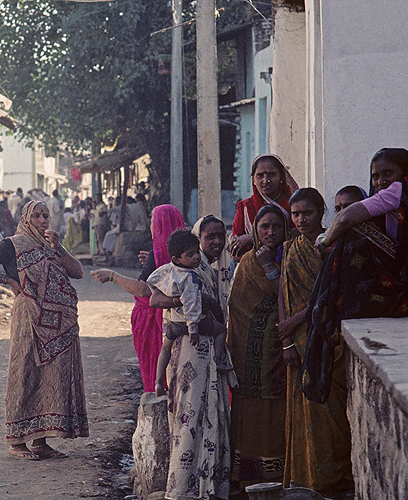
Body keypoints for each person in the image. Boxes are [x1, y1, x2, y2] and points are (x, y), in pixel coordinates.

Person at [0, 201, 88, 460]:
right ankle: (17, 442)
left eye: (46, 215)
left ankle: (40, 441)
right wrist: (7, 280)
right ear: (26, 218)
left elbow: (78, 272)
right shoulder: (13, 244)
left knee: (50, 377)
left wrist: (60, 248)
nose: (43, 220)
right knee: (25, 372)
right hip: (28, 318)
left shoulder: (52, 244)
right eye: (37, 216)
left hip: (58, 324)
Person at [304, 148, 408, 404]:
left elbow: (345, 218)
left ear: (405, 172)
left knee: (351, 233)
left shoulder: (399, 191)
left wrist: (324, 242)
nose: (380, 182)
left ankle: (329, 307)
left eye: (388, 173)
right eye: (375, 176)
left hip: (403, 283)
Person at [278, 188, 353, 495]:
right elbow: (283, 293)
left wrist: (295, 321)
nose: (300, 220)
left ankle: (335, 479)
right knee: (303, 407)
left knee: (331, 409)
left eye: (307, 213)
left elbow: (331, 292)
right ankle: (307, 477)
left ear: (322, 212)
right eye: (295, 214)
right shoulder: (289, 248)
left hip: (326, 340)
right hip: (296, 344)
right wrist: (286, 338)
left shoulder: (334, 242)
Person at [151, 233, 236, 500]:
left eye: (219, 237)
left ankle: (210, 484)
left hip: (203, 349)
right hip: (189, 349)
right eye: (208, 238)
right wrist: (183, 304)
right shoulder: (185, 275)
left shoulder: (209, 271)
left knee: (209, 415)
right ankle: (182, 487)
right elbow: (153, 299)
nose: (213, 245)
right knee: (187, 417)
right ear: (177, 257)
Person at [227, 204, 290, 488]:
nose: (270, 232)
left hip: (285, 345)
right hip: (249, 352)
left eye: (276, 226)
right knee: (250, 407)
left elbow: (290, 298)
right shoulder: (247, 262)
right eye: (264, 226)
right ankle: (249, 475)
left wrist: (270, 267)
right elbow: (238, 309)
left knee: (280, 405)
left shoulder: (293, 255)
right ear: (255, 230)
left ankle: (280, 469)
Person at [90, 205, 185, 391]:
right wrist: (151, 259)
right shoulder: (184, 254)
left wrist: (112, 276)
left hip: (157, 326)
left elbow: (143, 290)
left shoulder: (157, 256)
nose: (150, 226)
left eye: (152, 221)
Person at [150, 229, 228, 375]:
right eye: (190, 255)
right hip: (192, 324)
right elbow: (192, 305)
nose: (197, 257)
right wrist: (193, 329)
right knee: (221, 331)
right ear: (177, 258)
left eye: (197, 252)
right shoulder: (191, 277)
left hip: (174, 323)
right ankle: (217, 361)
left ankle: (158, 381)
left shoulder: (167, 270)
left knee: (166, 348)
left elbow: (152, 280)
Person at [230, 154, 298, 261]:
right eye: (260, 175)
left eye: (271, 174)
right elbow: (235, 253)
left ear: (281, 177)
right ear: (253, 180)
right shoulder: (245, 207)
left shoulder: (293, 204)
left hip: (290, 263)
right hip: (253, 269)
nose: (266, 181)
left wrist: (252, 238)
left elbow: (299, 235)